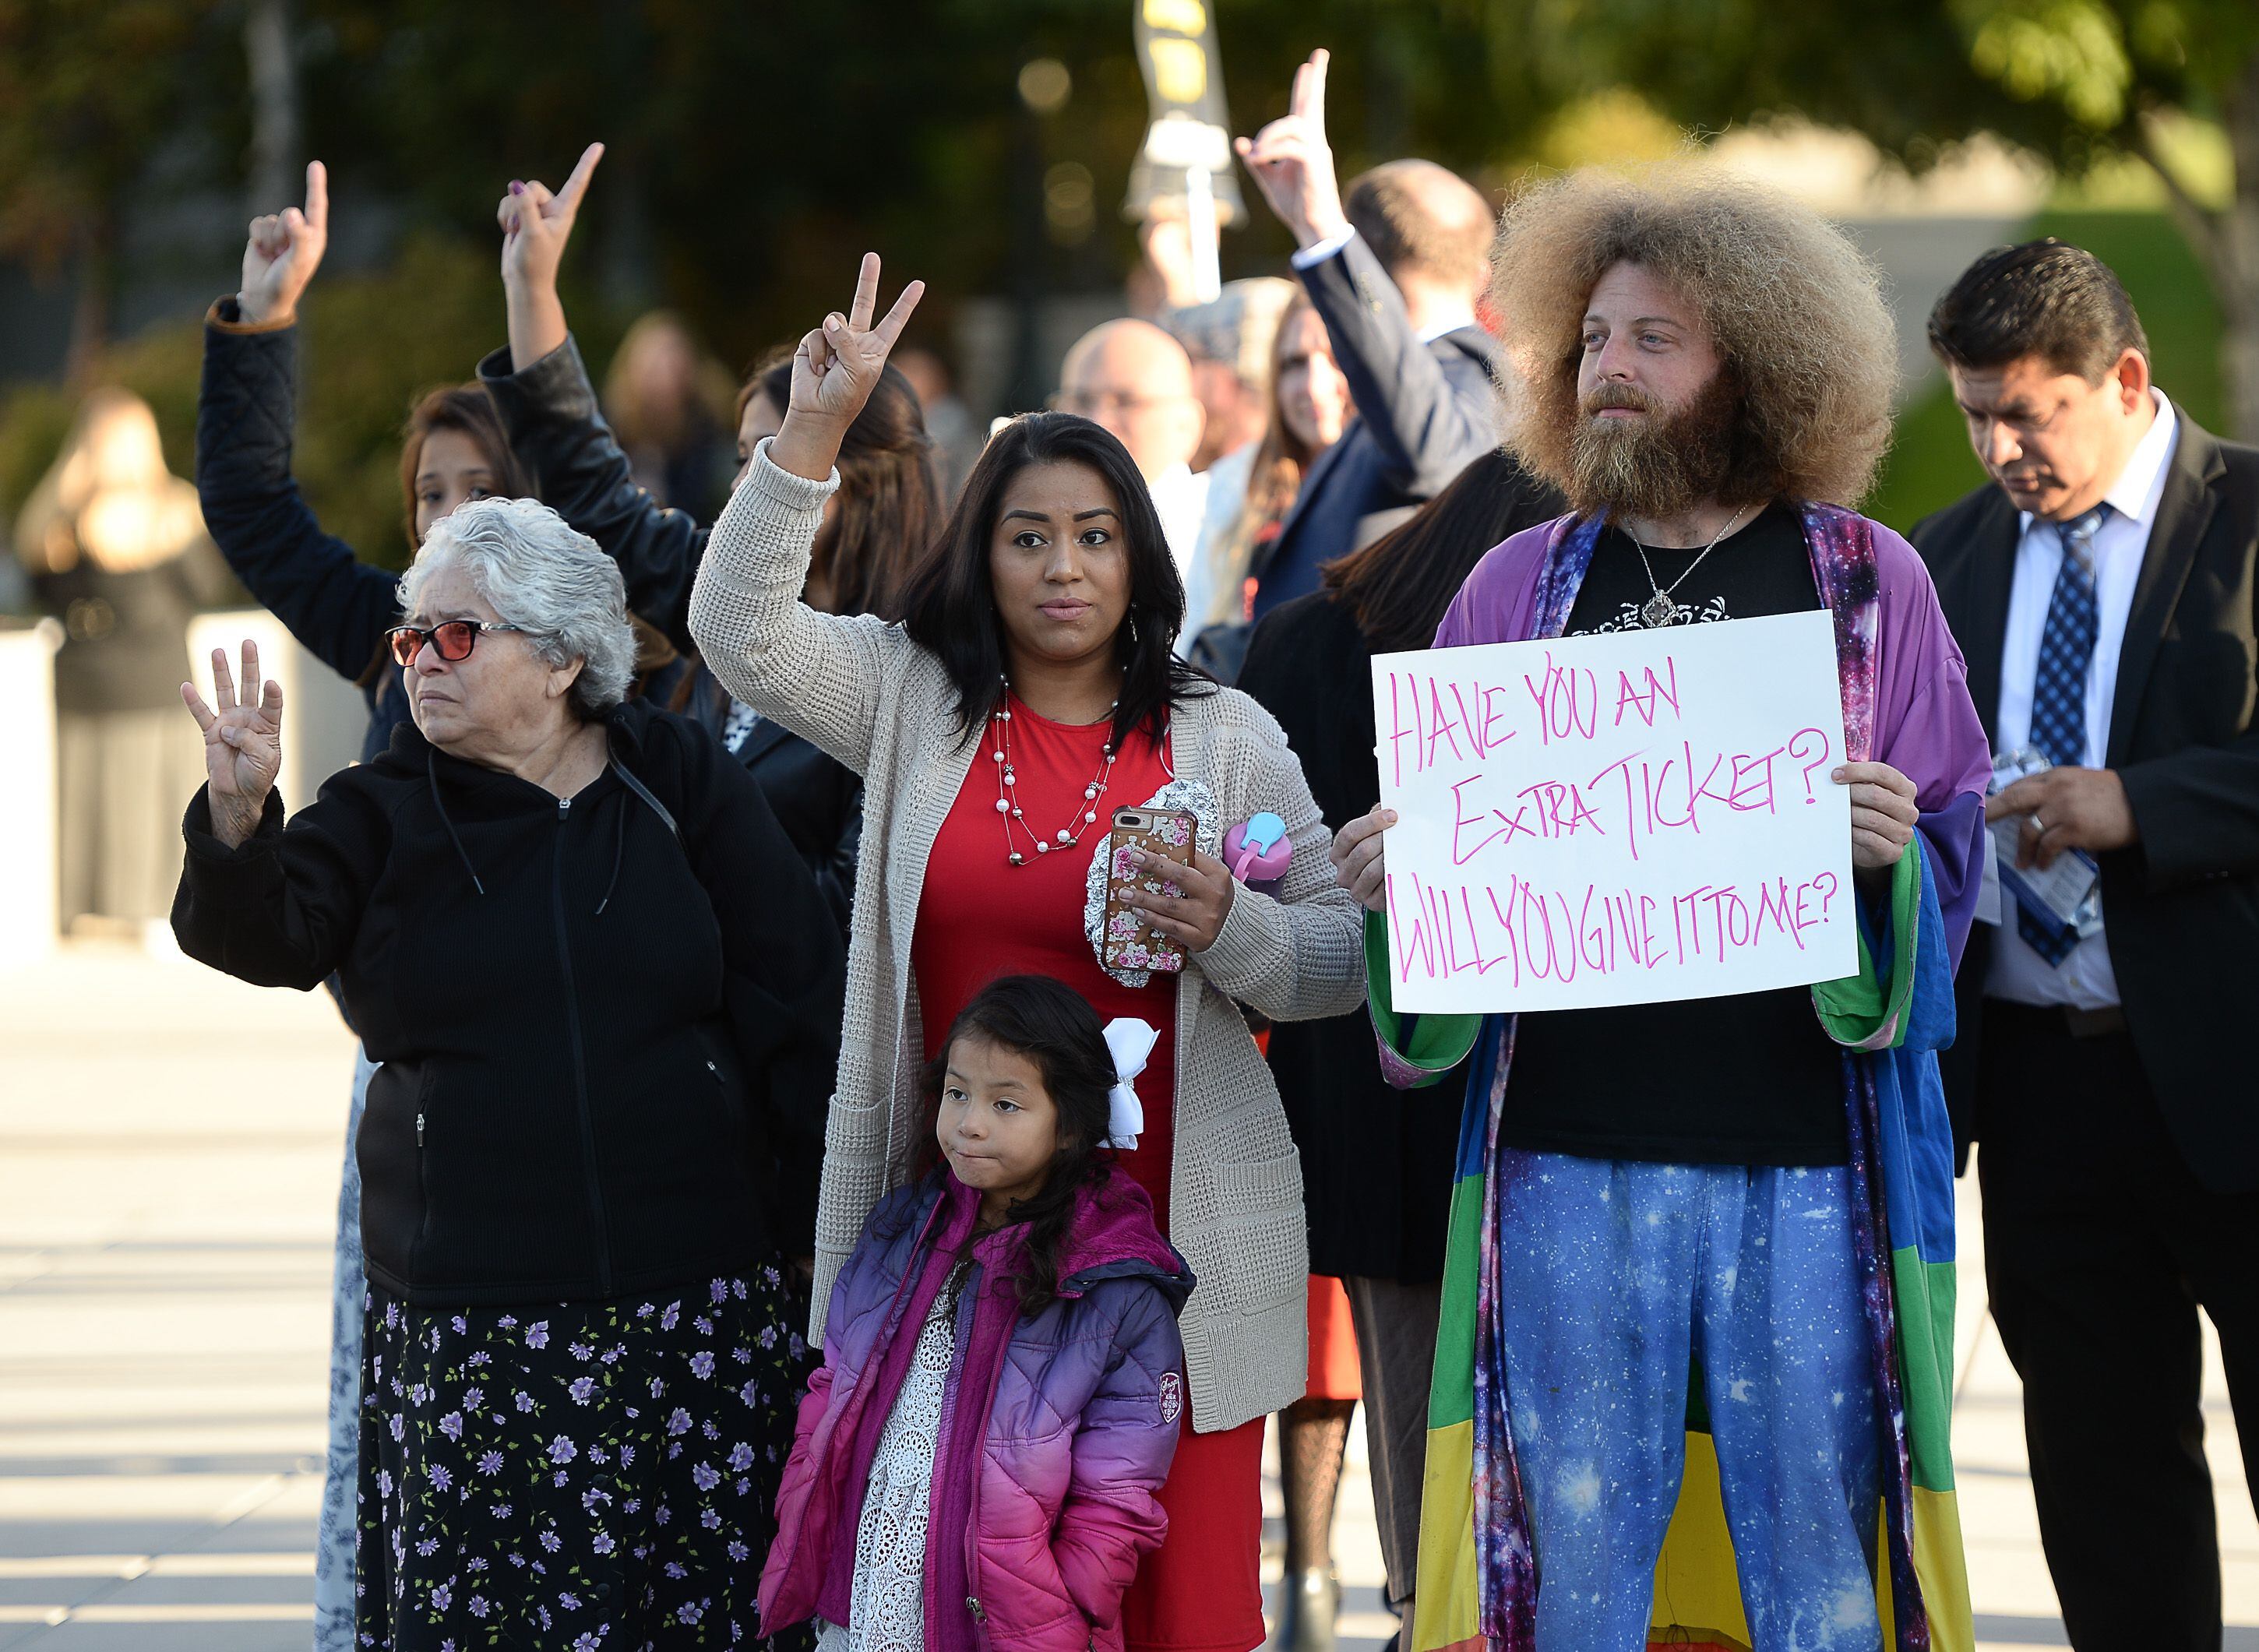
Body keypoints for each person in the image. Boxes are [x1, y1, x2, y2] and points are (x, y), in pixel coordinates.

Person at [1330, 170, 1989, 1652]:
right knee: (1575, 1565)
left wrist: (1894, 858)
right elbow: (1450, 894)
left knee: (1820, 1559)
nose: (1609, 368)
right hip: (1564, 1160)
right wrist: (1400, 882)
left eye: (1656, 339)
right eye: (1594, 339)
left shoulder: (1871, 584)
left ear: (1751, 364)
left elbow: (1953, 869)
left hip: (1808, 1169)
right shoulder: (1514, 584)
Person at [688, 254, 1367, 1652]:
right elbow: (736, 633)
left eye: (1097, 536)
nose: (1065, 567)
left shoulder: (1225, 733)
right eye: (1030, 537)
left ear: (1142, 556)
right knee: (970, 1604)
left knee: (1176, 1613)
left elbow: (1335, 962)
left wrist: (1227, 928)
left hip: (1179, 1266)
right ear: (980, 556)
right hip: (960, 1249)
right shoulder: (908, 695)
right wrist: (808, 436)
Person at [171, 498, 845, 1648]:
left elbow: (797, 996)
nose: (421, 660)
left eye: (458, 633)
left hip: (697, 1308)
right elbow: (265, 935)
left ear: (565, 655)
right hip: (476, 1332)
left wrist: (801, 1233)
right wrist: (238, 823)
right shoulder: (384, 805)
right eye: (409, 637)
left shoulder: (673, 775)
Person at [192, 162, 558, 1650]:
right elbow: (257, 508)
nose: (452, 521)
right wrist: (265, 324)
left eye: (486, 494)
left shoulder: (620, 676)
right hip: (419, 1114)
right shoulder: (391, 638)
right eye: (431, 498)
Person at [1911, 239, 2259, 1652]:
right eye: (1974, 410)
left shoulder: (2253, 519)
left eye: (2028, 412)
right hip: (2041, 1091)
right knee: (2107, 1495)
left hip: (2237, 1077)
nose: (1999, 445)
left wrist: (2144, 806)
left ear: (2126, 377)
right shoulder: (1941, 557)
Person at [1235, 449, 1560, 1651]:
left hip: (1358, 1084)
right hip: (1524, 1088)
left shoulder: (1304, 638)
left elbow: (1256, 845)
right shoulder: (1536, 633)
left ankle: (1426, 1608)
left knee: (1410, 1388)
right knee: (1536, 1405)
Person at [480, 146, 941, 929]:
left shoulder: (915, 665)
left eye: (786, 448)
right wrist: (530, 288)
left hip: (791, 1034)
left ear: (864, 478)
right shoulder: (716, 584)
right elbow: (590, 485)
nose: (752, 484)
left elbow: (841, 924)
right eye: (745, 460)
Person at [760, 974, 1193, 1652]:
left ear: (1073, 1124)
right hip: (866, 1588)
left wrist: (1066, 1601)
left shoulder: (1116, 1289)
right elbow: (830, 1384)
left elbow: (1119, 1490)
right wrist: (801, 1502)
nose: (970, 1122)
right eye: (957, 1092)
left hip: (1008, 1623)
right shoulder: (900, 1230)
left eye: (1007, 1103)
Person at [1235, 51, 1509, 625]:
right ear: (1481, 273)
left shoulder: (1480, 378)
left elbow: (1435, 458)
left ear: (1369, 266)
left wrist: (1324, 234)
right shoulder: (1405, 390)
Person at [14, 387, 227, 936]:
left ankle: (80, 912)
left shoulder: (53, 518)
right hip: (156, 685)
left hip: (81, 686)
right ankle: (154, 912)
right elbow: (208, 585)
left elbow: (38, 588)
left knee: (81, 808)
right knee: (153, 809)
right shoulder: (172, 512)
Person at [1182, 294, 1355, 669]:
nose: (1314, 385)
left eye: (1337, 358)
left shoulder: (1399, 478)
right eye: (1294, 363)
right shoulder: (1237, 481)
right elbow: (1202, 619)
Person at [1055, 318, 1209, 579]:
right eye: (1082, 400)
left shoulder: (1223, 536)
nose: (1099, 422)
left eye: (1126, 402)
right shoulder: (1020, 528)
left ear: (1186, 425)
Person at [601, 309, 736, 520]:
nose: (664, 378)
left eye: (673, 366)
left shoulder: (706, 430)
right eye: (655, 367)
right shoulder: (610, 427)